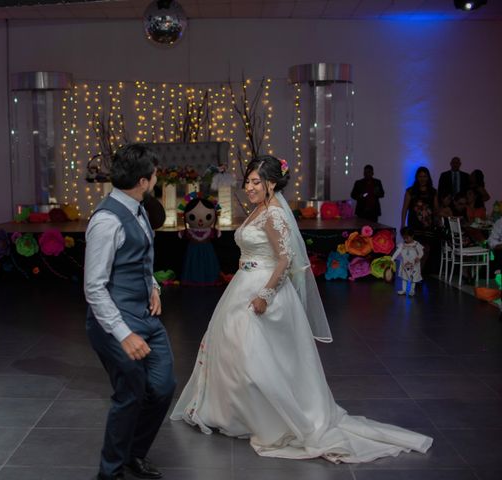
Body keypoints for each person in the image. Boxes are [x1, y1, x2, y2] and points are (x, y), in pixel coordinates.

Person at [171, 155, 432, 462]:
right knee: (234, 352)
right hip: (243, 284)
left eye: (256, 182)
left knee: (256, 361)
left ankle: (271, 418)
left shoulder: (275, 214)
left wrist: (265, 295)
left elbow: (285, 259)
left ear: (271, 184)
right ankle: (236, 412)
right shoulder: (259, 209)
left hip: (264, 292)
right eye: (248, 181)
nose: (249, 187)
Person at [84, 144, 176, 480]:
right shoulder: (107, 221)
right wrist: (123, 334)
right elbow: (93, 287)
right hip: (114, 324)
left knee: (163, 387)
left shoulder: (139, 208)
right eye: (154, 174)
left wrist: (154, 286)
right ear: (143, 180)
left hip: (146, 317)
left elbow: (140, 257)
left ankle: (134, 453)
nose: (156, 178)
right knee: (131, 393)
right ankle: (109, 472)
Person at [400, 166, 439, 272]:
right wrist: (403, 224)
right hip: (414, 225)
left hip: (428, 226)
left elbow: (436, 209)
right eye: (420, 176)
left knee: (426, 250)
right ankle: (414, 272)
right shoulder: (410, 191)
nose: (422, 178)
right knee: (415, 250)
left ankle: (419, 272)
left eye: (425, 176)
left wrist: (438, 219)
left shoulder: (433, 192)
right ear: (417, 177)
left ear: (428, 177)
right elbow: (404, 209)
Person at [392, 227, 424, 296]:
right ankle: (404, 289)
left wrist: (418, 257)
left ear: (412, 236)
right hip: (405, 264)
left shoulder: (416, 244)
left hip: (414, 265)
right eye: (404, 238)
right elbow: (397, 252)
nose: (405, 239)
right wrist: (392, 259)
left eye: (407, 238)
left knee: (413, 277)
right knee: (404, 277)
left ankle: (412, 290)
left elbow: (421, 252)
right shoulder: (403, 245)